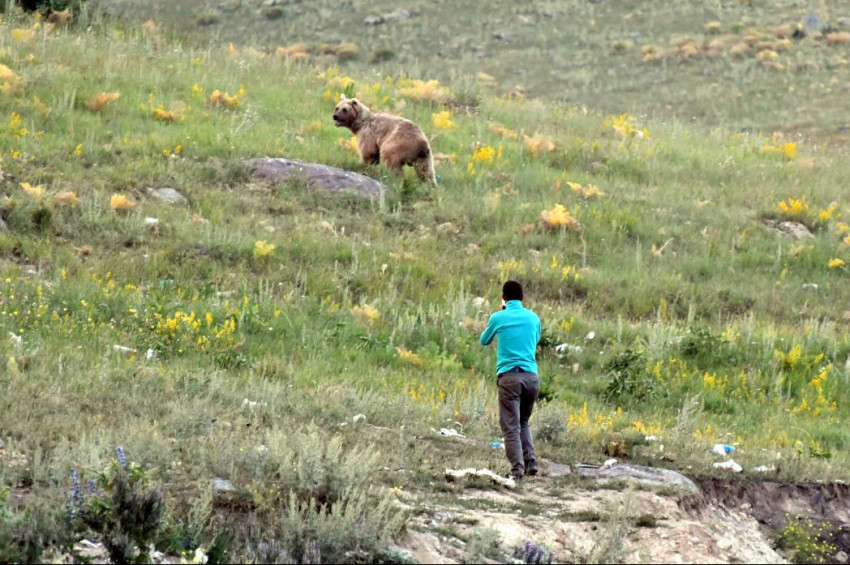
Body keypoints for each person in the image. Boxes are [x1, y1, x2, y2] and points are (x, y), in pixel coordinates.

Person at [479, 280, 542, 479]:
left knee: (511, 426)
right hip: (531, 377)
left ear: (504, 298)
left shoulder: (499, 317)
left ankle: (517, 469)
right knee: (523, 422)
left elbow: (484, 340)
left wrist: (501, 313)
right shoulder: (533, 318)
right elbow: (536, 338)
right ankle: (531, 463)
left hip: (509, 378)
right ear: (522, 298)